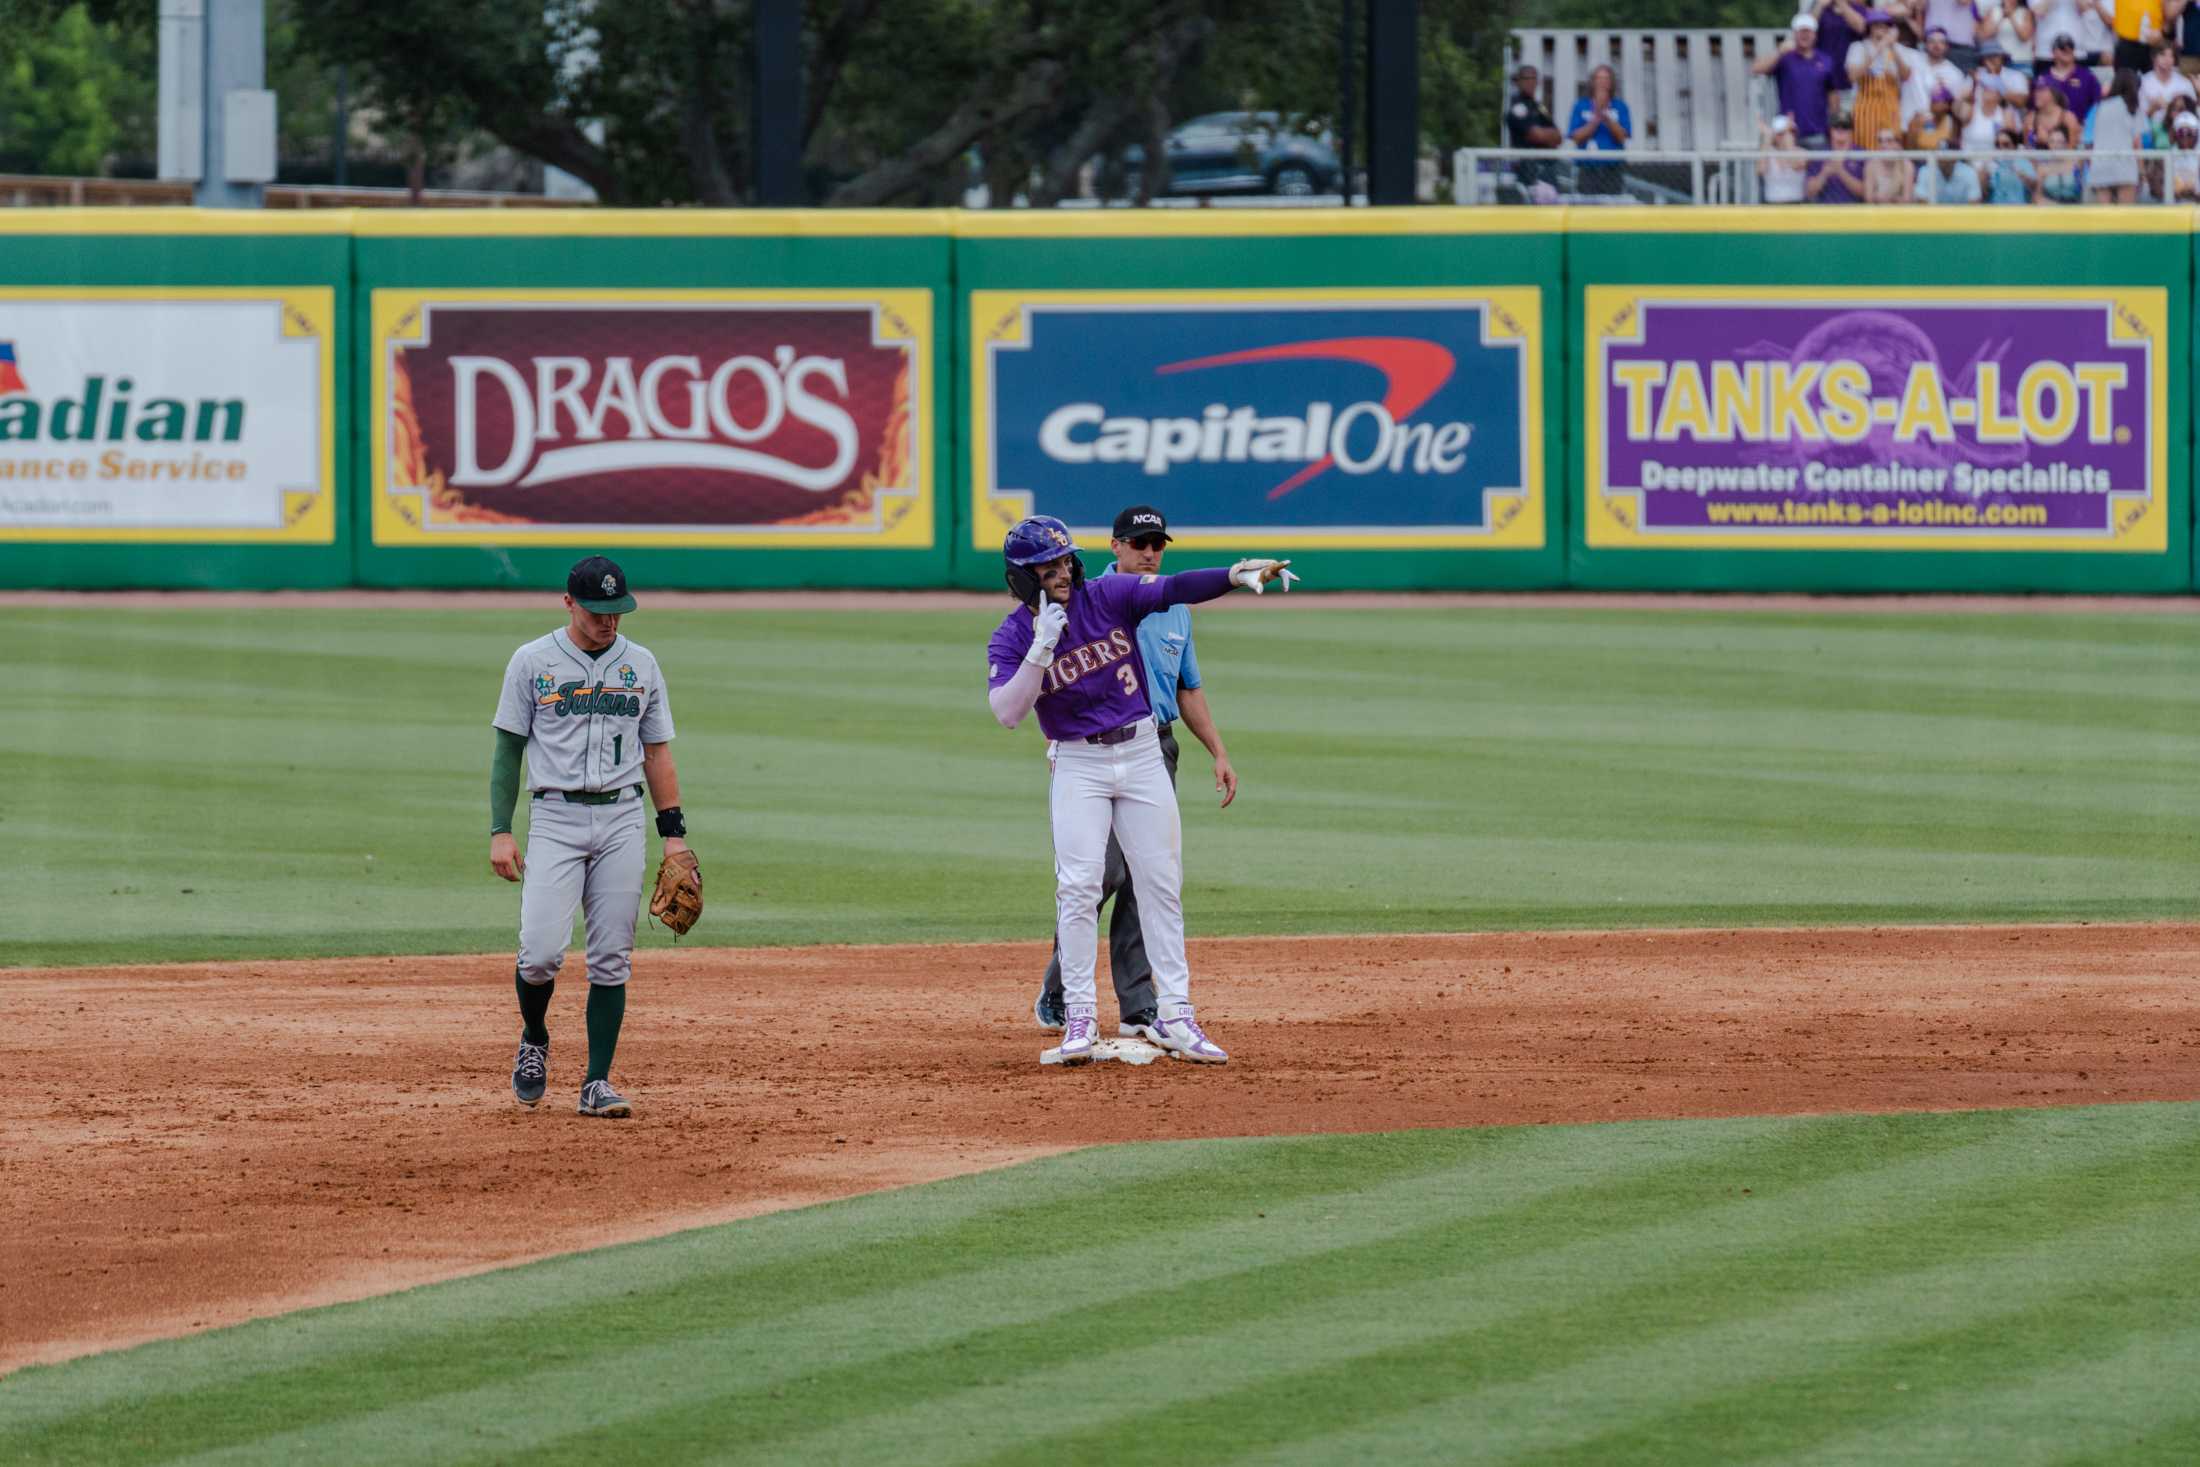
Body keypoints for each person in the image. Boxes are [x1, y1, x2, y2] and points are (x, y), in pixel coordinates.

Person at [987, 516, 1294, 1067]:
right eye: (1046, 567)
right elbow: (1008, 713)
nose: (1060, 571)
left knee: (1159, 882)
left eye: (1063, 560)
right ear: (1022, 578)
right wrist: (1040, 650)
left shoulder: (1108, 595)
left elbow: (1174, 588)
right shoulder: (1012, 636)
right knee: (1079, 887)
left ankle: (1176, 1014)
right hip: (1078, 761)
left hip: (1142, 752)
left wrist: (1232, 573)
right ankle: (1079, 1018)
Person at [1031, 505, 1240, 1038]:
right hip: (1092, 752)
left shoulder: (1175, 608)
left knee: (1150, 878)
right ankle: (1060, 990)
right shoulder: (1084, 599)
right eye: (1140, 543)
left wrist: (1216, 748)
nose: (1150, 552)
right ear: (1115, 546)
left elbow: (1186, 687)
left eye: (1158, 544)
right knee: (1099, 876)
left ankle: (1139, 1005)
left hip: (1155, 747)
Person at [491, 556, 688, 1119]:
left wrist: (674, 835)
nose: (609, 622)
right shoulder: (532, 662)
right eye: (598, 612)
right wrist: (501, 831)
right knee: (540, 954)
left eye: (617, 612)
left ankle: (596, 1081)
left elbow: (658, 752)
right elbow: (507, 751)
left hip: (623, 818)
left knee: (610, 959)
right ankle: (534, 1038)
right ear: (569, 603)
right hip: (554, 817)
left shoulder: (643, 665)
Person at [1757, 13, 1840, 146]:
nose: (1804, 35)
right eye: (1801, 31)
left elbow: (1833, 94)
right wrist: (1779, 51)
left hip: (1818, 131)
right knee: (1788, 166)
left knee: (1817, 166)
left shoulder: (1826, 60)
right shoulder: (1784, 58)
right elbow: (1757, 69)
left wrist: (1834, 124)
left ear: (1815, 34)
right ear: (1794, 34)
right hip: (1788, 131)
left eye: (1808, 31)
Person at [1849, 10, 1916, 142]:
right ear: (1870, 28)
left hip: (1890, 110)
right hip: (1864, 112)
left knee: (1890, 150)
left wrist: (1892, 47)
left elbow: (1906, 76)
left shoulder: (1898, 49)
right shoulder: (1858, 47)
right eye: (1877, 25)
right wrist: (1879, 48)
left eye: (1885, 25)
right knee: (1864, 150)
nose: (1881, 28)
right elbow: (1853, 76)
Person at [1566, 63, 1632, 193]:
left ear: (1612, 83)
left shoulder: (1620, 106)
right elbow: (1576, 137)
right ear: (1592, 82)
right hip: (1587, 168)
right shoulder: (1581, 105)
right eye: (1599, 78)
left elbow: (1622, 137)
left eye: (1606, 79)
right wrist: (1596, 117)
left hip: (1613, 169)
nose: (1602, 82)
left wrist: (1606, 116)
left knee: (1612, 209)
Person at [2088, 65, 2146, 195]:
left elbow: (2091, 140)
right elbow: (2137, 143)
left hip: (2101, 163)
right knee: (2126, 214)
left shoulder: (2101, 107)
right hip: (2124, 164)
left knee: (2104, 215)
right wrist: (2141, 171)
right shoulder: (2133, 108)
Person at [1506, 64, 1563, 191]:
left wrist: (1546, 134)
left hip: (1547, 167)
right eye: (1526, 78)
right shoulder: (1517, 107)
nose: (1530, 82)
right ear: (1518, 82)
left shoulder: (1539, 107)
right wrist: (1548, 135)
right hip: (1528, 168)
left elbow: (1559, 137)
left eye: (1533, 79)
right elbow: (1535, 135)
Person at [2099, 0, 2187, 73]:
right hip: (2125, 44)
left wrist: (2162, 32)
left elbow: (2170, 14)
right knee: (2126, 86)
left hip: (2154, 44)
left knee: (2154, 88)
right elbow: (2108, 18)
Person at [2043, 31, 2107, 115]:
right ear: (2053, 52)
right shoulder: (2043, 78)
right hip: (2050, 126)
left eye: (2071, 46)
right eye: (2062, 47)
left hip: (2081, 126)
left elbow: (2098, 104)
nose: (2067, 49)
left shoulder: (2087, 76)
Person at [1807, 114, 1871, 197]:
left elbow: (1865, 193)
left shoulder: (1861, 154)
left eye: (1845, 127)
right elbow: (1809, 192)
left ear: (1852, 131)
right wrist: (1824, 174)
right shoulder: (1820, 153)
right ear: (1830, 130)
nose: (1840, 130)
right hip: (1824, 208)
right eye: (1836, 127)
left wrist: (1841, 171)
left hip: (1853, 208)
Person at [2140, 36, 2198, 119]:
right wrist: (2153, 108)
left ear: (2174, 60)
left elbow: (2194, 114)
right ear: (2154, 57)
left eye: (2171, 56)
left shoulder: (2184, 83)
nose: (2167, 59)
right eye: (2162, 54)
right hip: (2151, 129)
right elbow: (2138, 121)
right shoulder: (2144, 82)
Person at [1760, 113, 1813, 197]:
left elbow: (1796, 165)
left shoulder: (1802, 152)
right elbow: (1761, 170)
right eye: (1780, 133)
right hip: (1772, 205)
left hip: (1796, 204)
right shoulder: (1768, 152)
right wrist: (1767, 139)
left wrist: (1789, 145)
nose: (1785, 136)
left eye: (1791, 132)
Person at [1918, 135, 1988, 195]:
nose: (1941, 159)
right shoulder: (1926, 172)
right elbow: (1922, 203)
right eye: (1939, 155)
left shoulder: (1968, 173)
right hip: (1933, 211)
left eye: (1946, 156)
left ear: (1955, 158)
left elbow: (1974, 205)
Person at [1866, 121, 1921, 196]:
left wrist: (1889, 200)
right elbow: (1868, 199)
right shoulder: (1871, 165)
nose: (1883, 145)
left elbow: (1907, 200)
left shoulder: (1907, 165)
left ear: (1898, 144)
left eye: (1889, 141)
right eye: (1880, 141)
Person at [1989, 125, 2043, 195]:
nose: (2001, 148)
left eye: (2006, 144)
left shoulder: (2024, 163)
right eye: (1998, 145)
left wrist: (2024, 177)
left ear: (2015, 146)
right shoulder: (1991, 164)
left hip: (2017, 205)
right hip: (1994, 205)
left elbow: (2034, 188)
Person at [1962, 76, 2013, 147]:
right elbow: (1960, 108)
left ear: (1999, 95)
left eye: (1990, 88)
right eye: (1984, 88)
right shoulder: (1971, 110)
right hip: (1968, 157)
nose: (1986, 90)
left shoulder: (2006, 115)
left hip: (1995, 157)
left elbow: (2009, 143)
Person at [2168, 106, 2200, 191]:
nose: (2185, 137)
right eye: (2181, 133)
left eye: (2189, 133)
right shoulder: (2169, 155)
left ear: (2196, 133)